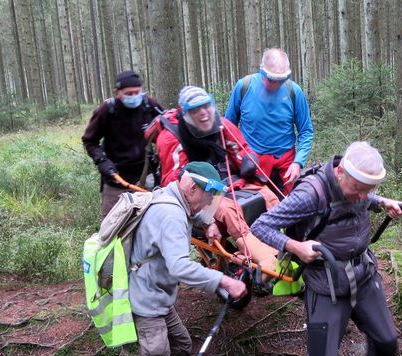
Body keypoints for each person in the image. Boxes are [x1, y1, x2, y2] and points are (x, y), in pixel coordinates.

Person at [251, 141, 402, 356]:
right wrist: (295, 246)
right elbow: (261, 226)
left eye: (370, 190)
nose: (363, 196)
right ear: (339, 173)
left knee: (387, 339)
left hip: (363, 275)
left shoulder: (359, 189)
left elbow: (363, 196)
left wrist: (381, 201)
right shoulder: (311, 194)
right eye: (358, 188)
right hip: (326, 286)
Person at [130, 161, 247, 356]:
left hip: (156, 296)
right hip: (147, 305)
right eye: (207, 196)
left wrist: (209, 222)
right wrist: (223, 281)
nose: (208, 203)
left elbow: (194, 211)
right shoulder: (170, 214)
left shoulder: (171, 195)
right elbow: (181, 267)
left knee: (181, 345)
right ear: (191, 187)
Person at [152, 85, 280, 278]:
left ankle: (279, 243)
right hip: (200, 195)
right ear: (185, 114)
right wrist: (208, 207)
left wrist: (248, 160)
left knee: (269, 196)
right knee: (230, 212)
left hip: (231, 183)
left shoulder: (222, 125)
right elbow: (177, 183)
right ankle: (265, 260)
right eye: (196, 110)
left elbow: (241, 148)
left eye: (206, 107)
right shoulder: (171, 138)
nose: (204, 114)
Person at [225, 48, 314, 197]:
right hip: (251, 165)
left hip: (285, 167)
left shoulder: (294, 92)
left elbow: (306, 131)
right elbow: (228, 127)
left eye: (280, 80)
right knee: (253, 211)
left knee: (287, 212)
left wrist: (298, 162)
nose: (275, 84)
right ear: (262, 70)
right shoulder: (244, 87)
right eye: (271, 79)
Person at [82, 70, 162, 217]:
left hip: (146, 177)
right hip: (116, 179)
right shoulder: (106, 110)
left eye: (137, 92)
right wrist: (102, 161)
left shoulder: (149, 105)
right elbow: (89, 140)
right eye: (128, 93)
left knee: (151, 223)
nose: (133, 97)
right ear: (117, 92)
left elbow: (168, 127)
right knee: (111, 226)